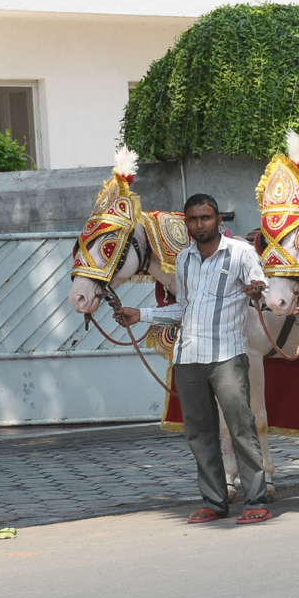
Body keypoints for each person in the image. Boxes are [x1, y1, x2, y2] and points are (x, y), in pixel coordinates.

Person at [114, 194, 273, 525]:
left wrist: (258, 291)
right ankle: (214, 501)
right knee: (199, 433)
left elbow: (263, 288)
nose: (200, 224)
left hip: (227, 355)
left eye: (206, 217)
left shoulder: (241, 253)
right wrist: (139, 314)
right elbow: (183, 308)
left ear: (219, 220)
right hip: (188, 359)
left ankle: (256, 498)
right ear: (186, 223)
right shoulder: (184, 260)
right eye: (193, 219)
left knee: (241, 428)